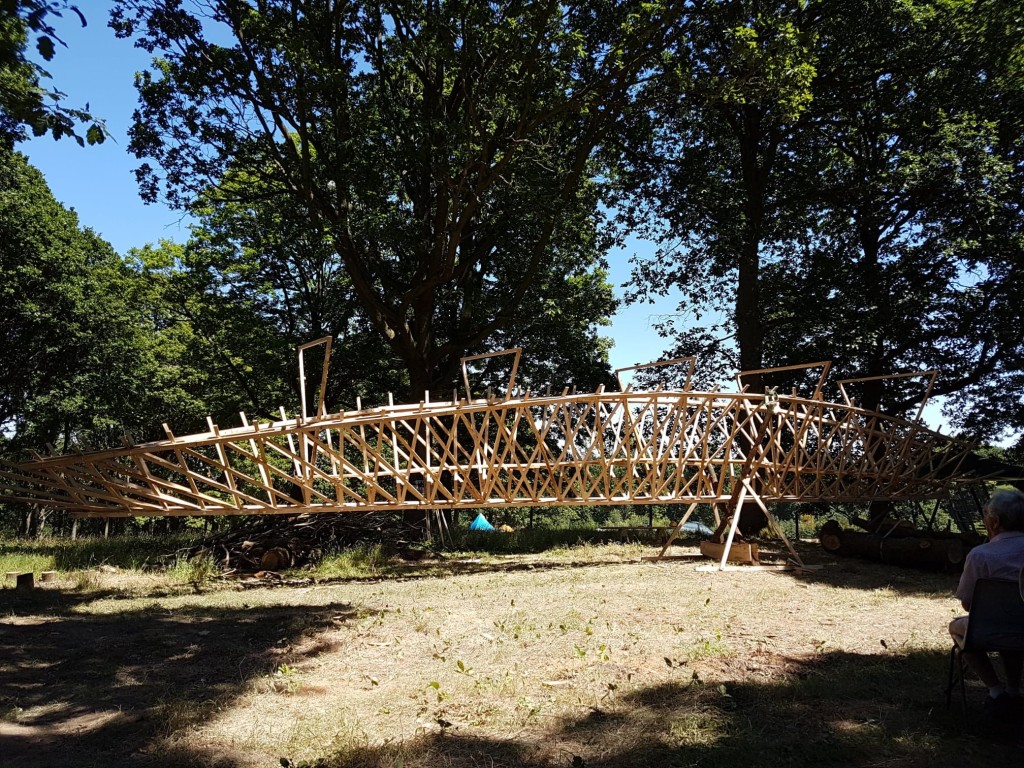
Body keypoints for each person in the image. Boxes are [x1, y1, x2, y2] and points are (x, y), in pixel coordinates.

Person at [949, 488, 1024, 712]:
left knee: (960, 627)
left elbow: (968, 604)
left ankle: (996, 691)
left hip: (990, 629)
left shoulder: (981, 555)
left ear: (995, 521)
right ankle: (1014, 690)